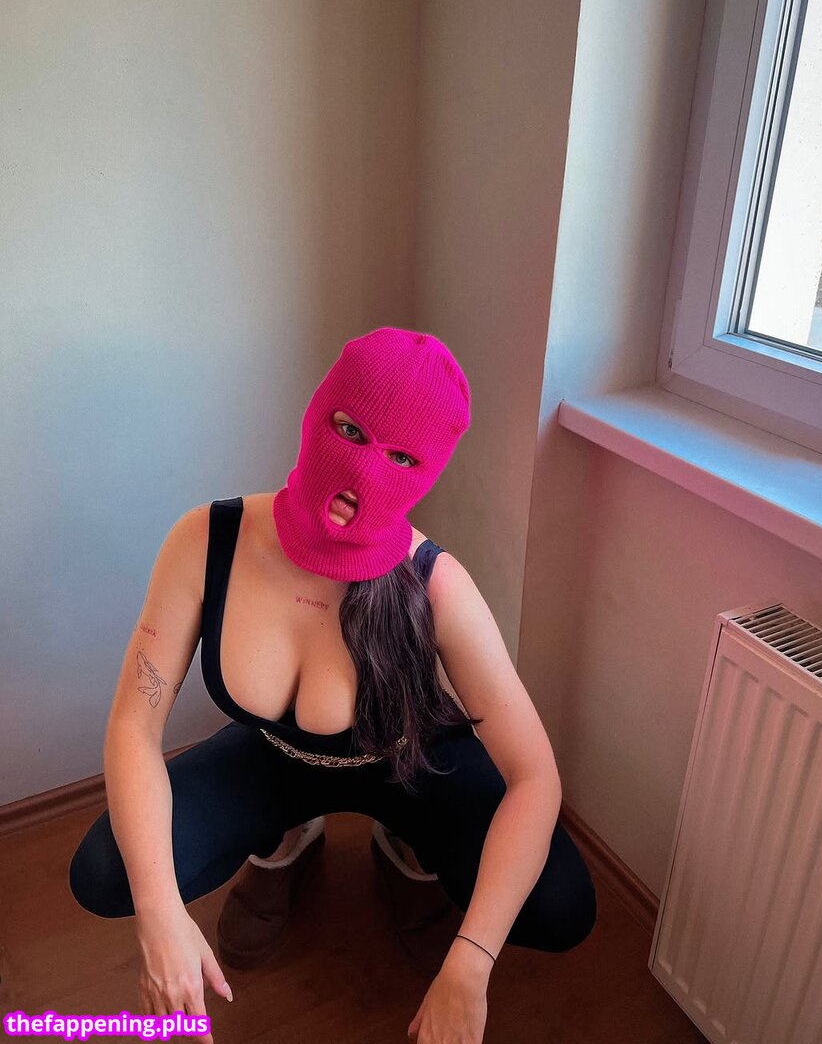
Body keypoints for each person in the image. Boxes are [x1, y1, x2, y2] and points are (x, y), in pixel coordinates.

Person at [68, 327, 596, 1044]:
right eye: (350, 430)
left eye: (402, 458)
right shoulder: (206, 541)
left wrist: (471, 962)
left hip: (410, 765)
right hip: (275, 759)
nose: (363, 473)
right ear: (318, 411)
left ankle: (405, 846)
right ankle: (286, 838)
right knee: (107, 871)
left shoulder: (437, 585)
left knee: (560, 905)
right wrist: (160, 913)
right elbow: (135, 724)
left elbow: (535, 775)